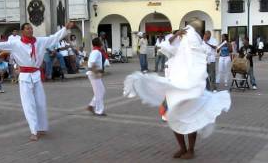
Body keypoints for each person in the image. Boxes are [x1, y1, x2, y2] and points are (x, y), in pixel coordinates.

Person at [124, 24, 231, 160]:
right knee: (172, 116)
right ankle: (182, 148)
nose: (182, 37)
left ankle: (190, 150)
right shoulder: (176, 49)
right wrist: (176, 35)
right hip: (173, 89)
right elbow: (164, 45)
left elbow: (200, 56)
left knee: (190, 118)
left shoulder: (194, 49)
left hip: (190, 90)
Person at [0, 22, 74, 141]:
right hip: (25, 77)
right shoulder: (15, 44)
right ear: (22, 31)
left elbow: (54, 38)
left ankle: (41, 127)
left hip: (36, 75)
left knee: (41, 103)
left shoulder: (39, 41)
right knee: (28, 105)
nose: (30, 30)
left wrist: (65, 29)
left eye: (31, 28)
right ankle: (34, 130)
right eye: (27, 28)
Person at [86, 38, 106, 116]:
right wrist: (97, 73)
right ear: (99, 43)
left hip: (94, 73)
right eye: (101, 41)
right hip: (93, 74)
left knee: (101, 91)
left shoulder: (97, 51)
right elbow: (92, 64)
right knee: (99, 93)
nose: (102, 42)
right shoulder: (96, 52)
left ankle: (91, 106)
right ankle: (99, 111)